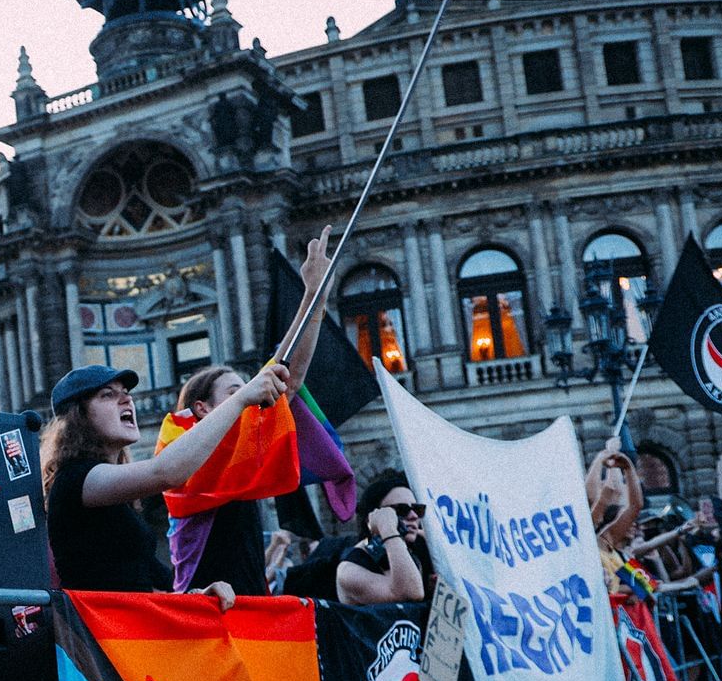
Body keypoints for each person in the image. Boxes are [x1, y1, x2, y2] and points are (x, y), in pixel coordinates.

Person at [169, 225, 332, 599]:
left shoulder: (241, 453)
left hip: (249, 610)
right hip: (203, 616)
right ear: (202, 408)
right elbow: (282, 379)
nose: (250, 396)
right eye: (235, 391)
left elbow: (287, 378)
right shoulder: (184, 455)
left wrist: (314, 296)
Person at [43, 361, 289, 605]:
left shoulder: (114, 495)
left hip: (126, 630)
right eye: (108, 395)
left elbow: (145, 585)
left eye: (127, 394)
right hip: (96, 635)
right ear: (78, 417)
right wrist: (240, 399)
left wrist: (197, 596)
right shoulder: (74, 479)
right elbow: (165, 472)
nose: (127, 400)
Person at [335, 471, 432, 605]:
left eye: (417, 509)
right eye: (402, 510)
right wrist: (388, 529)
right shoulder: (350, 571)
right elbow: (409, 593)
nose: (413, 516)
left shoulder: (425, 542)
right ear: (374, 515)